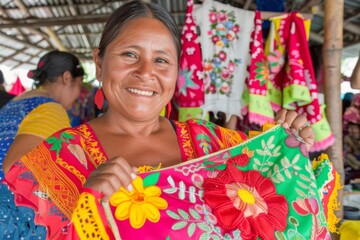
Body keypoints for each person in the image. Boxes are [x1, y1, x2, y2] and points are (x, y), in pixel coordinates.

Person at [3, 1, 327, 239]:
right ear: (99, 63)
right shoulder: (55, 162)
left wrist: (289, 144)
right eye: (129, 54)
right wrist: (87, 209)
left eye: (161, 60)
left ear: (177, 72)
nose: (146, 73)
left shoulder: (213, 144)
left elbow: (286, 209)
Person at [0, 50, 84, 239]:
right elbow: (15, 167)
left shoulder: (18, 100)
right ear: (67, 77)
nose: (79, 94)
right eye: (79, 85)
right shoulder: (51, 109)